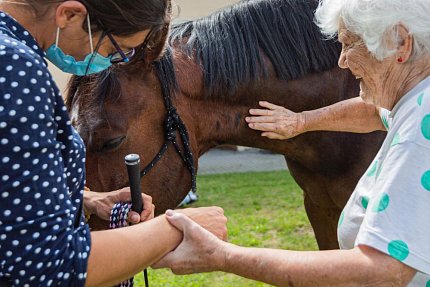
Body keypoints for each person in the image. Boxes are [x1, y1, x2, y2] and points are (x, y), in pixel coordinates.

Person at [153, 0, 430, 285]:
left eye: (351, 44)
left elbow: (383, 270)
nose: (342, 61)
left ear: (400, 43)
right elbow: (373, 112)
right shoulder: (414, 100)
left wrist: (221, 255)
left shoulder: (420, 128)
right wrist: (301, 122)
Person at [0, 0, 227, 286]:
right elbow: (48, 267)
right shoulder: (14, 68)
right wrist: (173, 229)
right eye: (113, 50)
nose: (106, 63)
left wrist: (88, 200)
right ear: (70, 14)